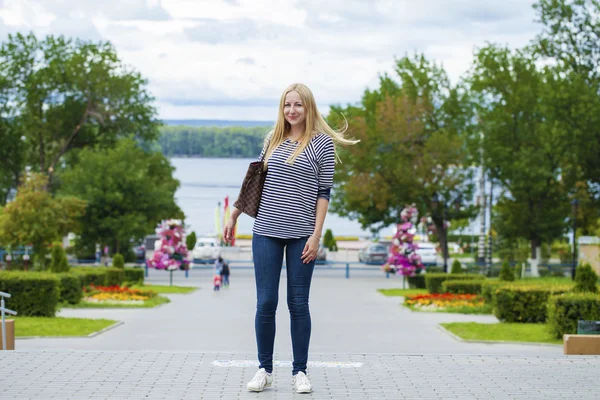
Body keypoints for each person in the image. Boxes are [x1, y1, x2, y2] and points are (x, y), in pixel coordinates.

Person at [223, 83, 358, 394]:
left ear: (308, 108)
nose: (292, 111)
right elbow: (254, 182)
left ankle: (300, 371)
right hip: (266, 232)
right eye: (287, 105)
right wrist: (233, 216)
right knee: (266, 302)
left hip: (301, 235)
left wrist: (316, 234)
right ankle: (264, 370)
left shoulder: (321, 144)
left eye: (298, 105)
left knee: (298, 304)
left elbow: (324, 194)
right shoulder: (273, 139)